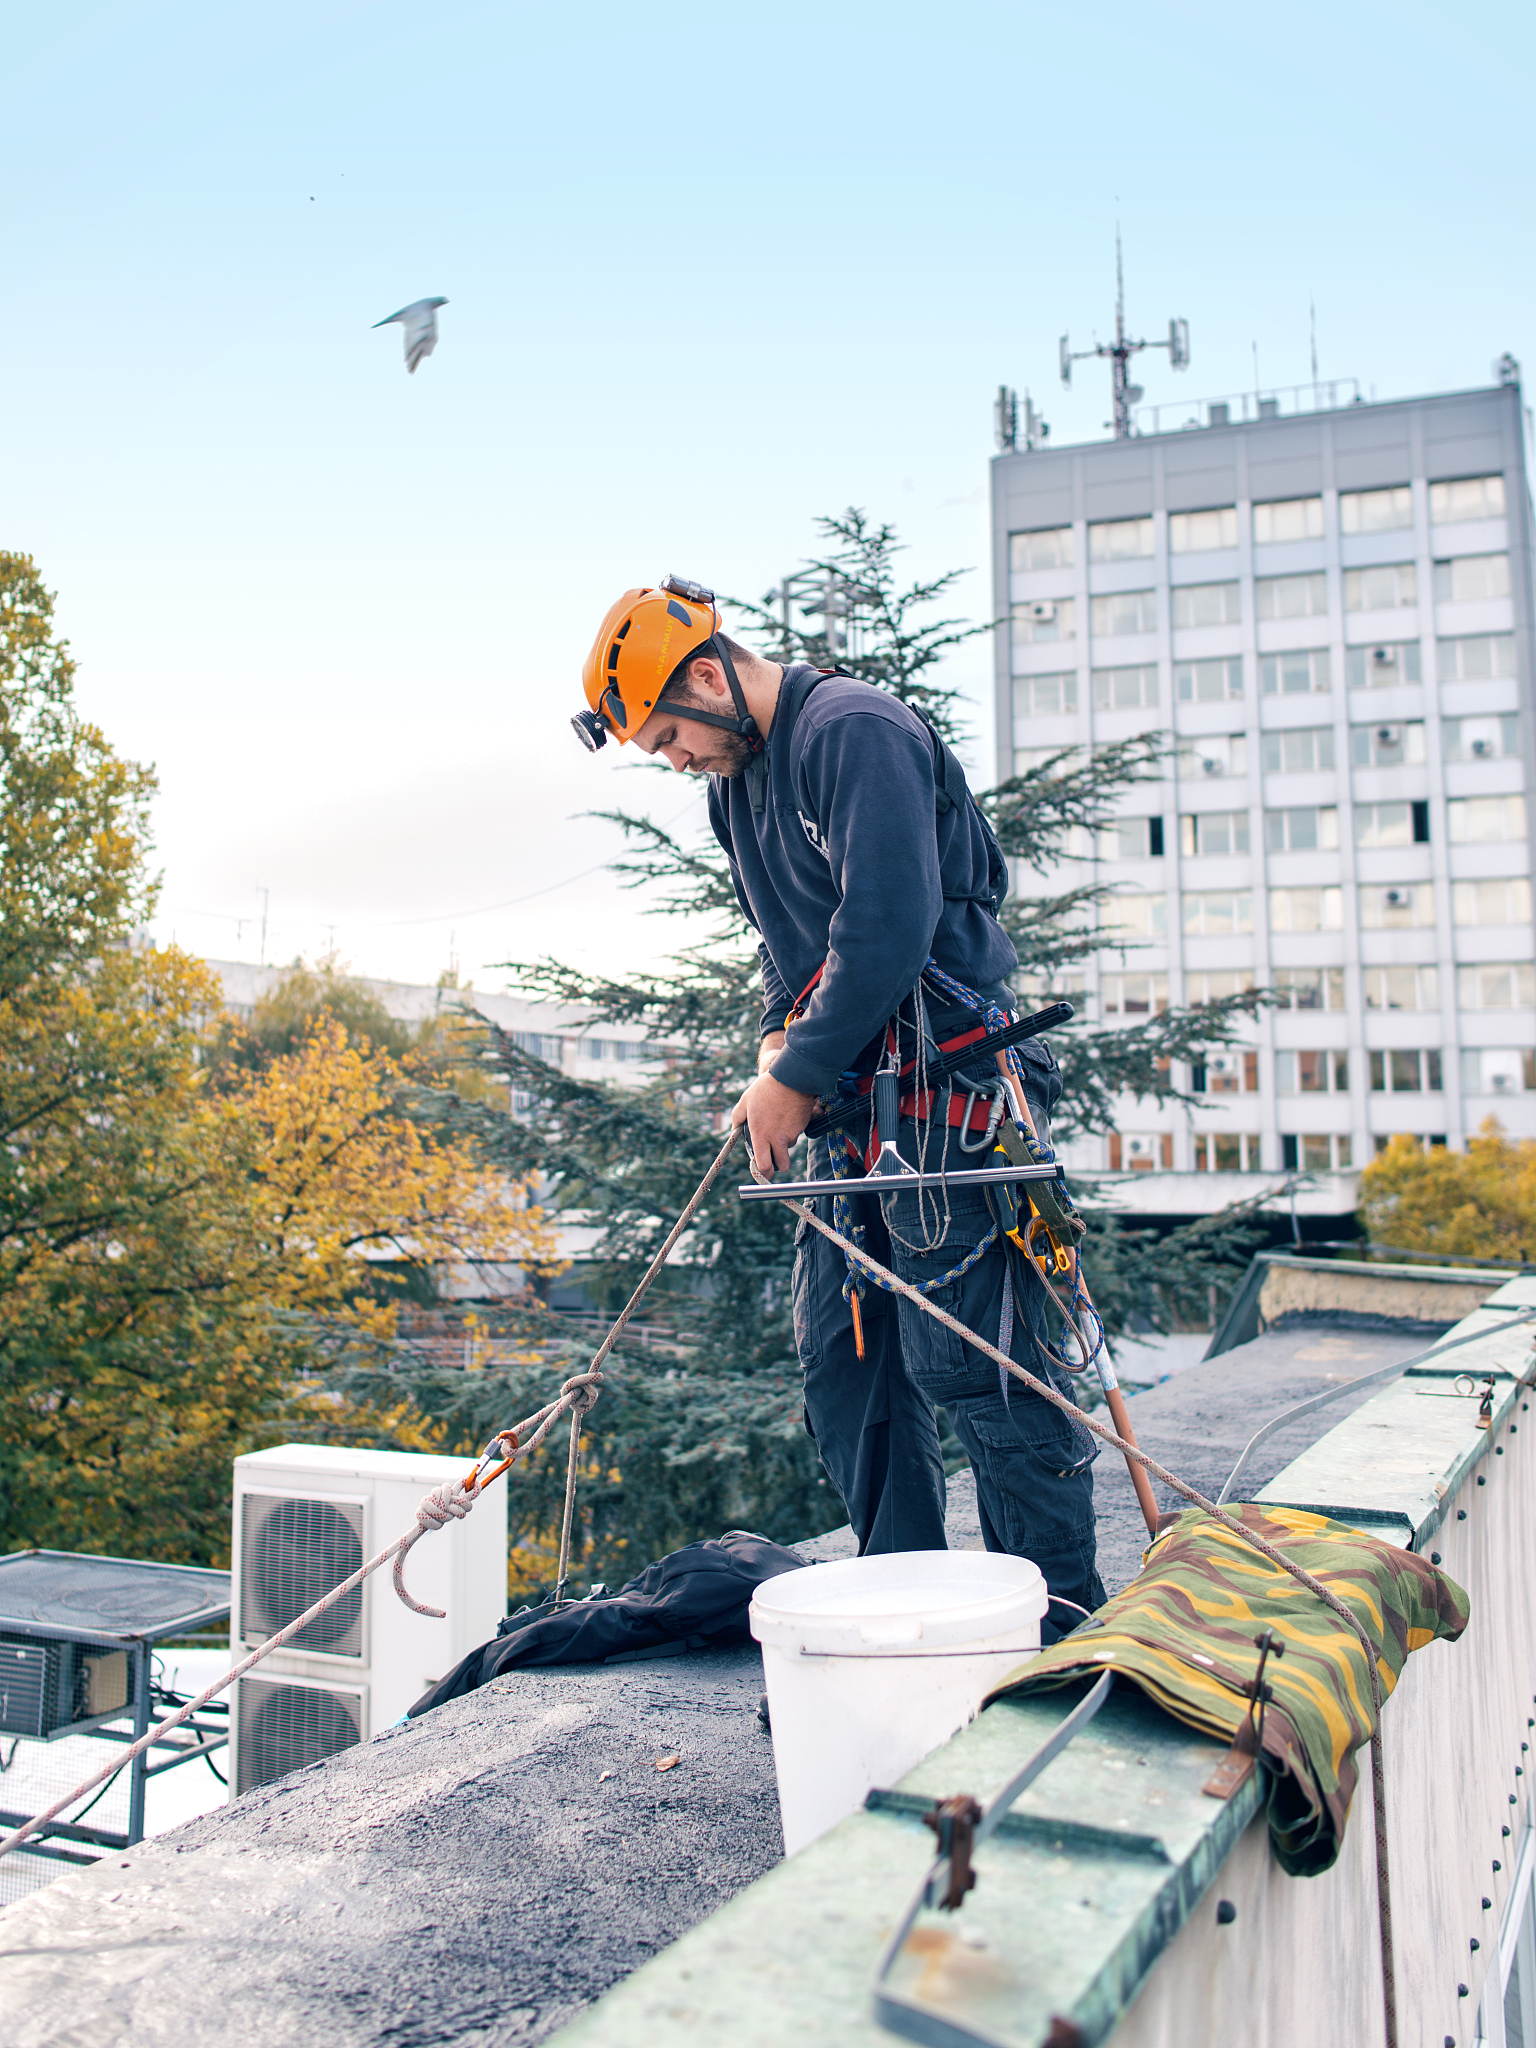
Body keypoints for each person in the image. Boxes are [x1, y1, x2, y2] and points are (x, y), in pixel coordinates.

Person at [572, 576, 1105, 1625]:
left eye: (671, 732)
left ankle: (1056, 1630)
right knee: (848, 1369)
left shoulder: (852, 730)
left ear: (713, 674)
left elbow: (888, 926)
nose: (676, 760)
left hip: (949, 1092)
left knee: (978, 1371)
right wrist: (779, 1041)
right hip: (863, 1106)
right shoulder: (739, 787)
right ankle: (907, 1621)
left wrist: (796, 1075)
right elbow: (789, 950)